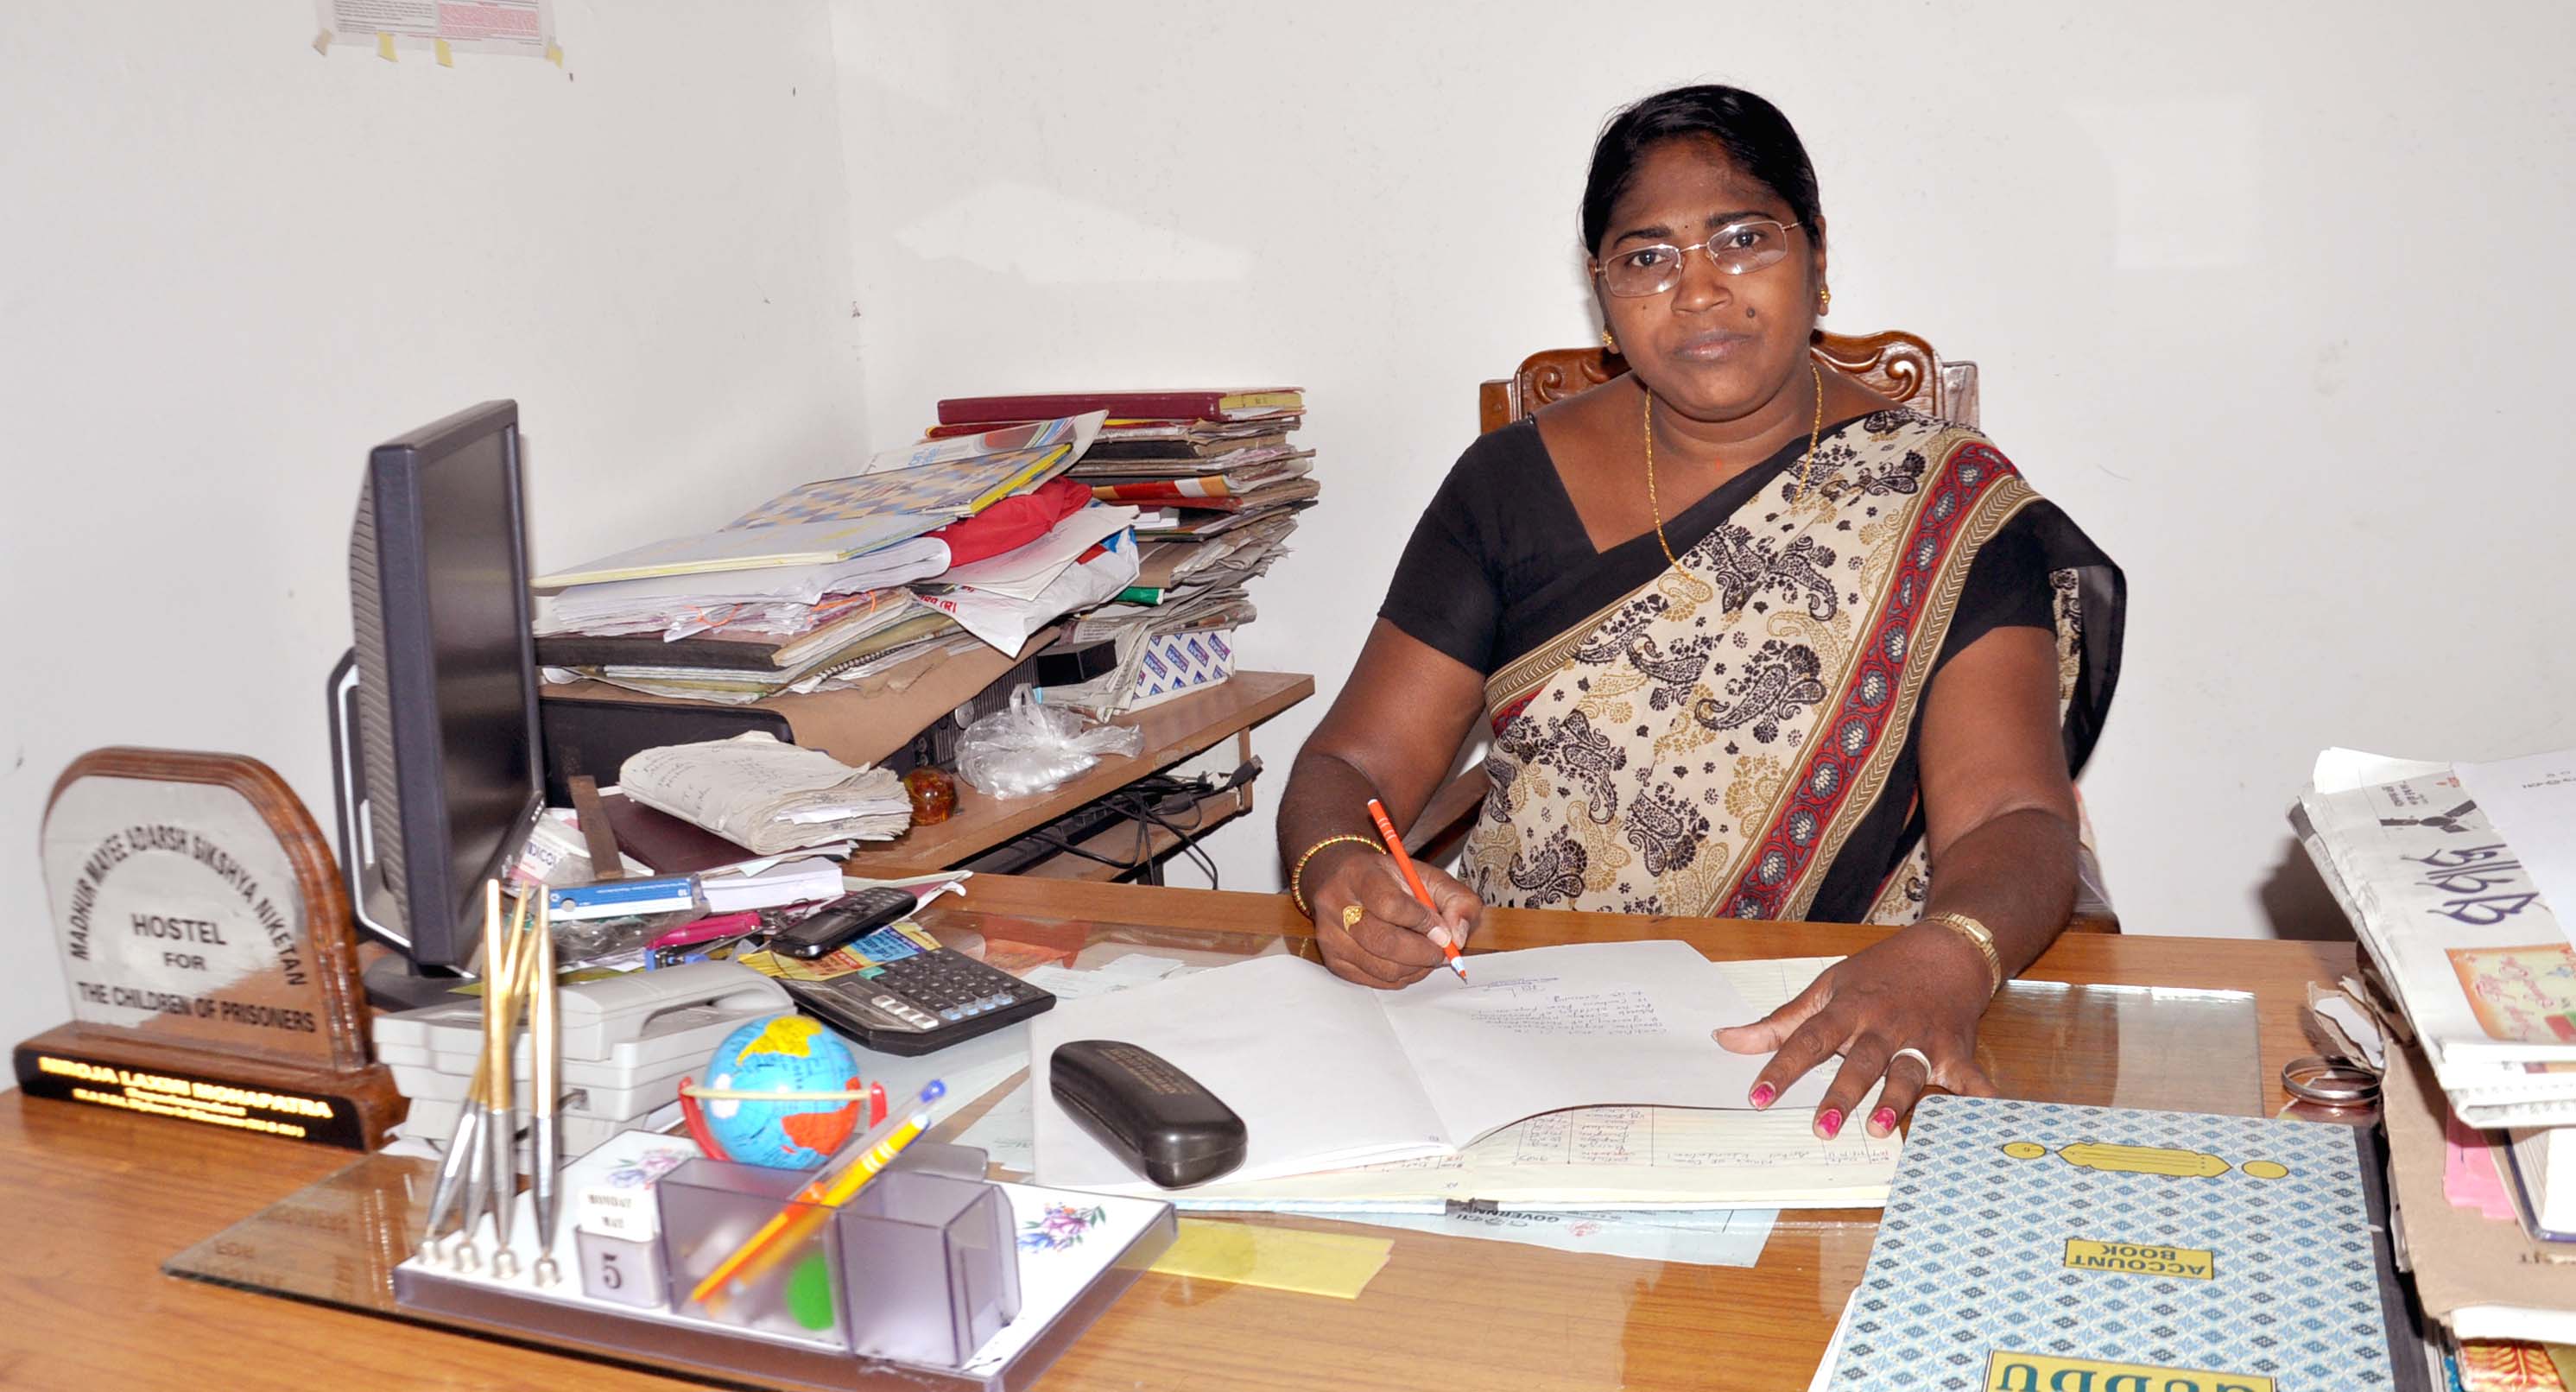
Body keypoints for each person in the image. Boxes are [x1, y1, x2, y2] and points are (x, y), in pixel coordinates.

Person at [1275, 84, 2124, 1142]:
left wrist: (1949, 955)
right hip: (1523, 1023)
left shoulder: (1941, 500)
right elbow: (1350, 768)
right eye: (1647, 257)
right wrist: (1338, 875)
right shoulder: (1504, 485)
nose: (1699, 292)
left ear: (1816, 257)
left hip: (1835, 1021)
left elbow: (2010, 816)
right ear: (1602, 291)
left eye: (1741, 239)